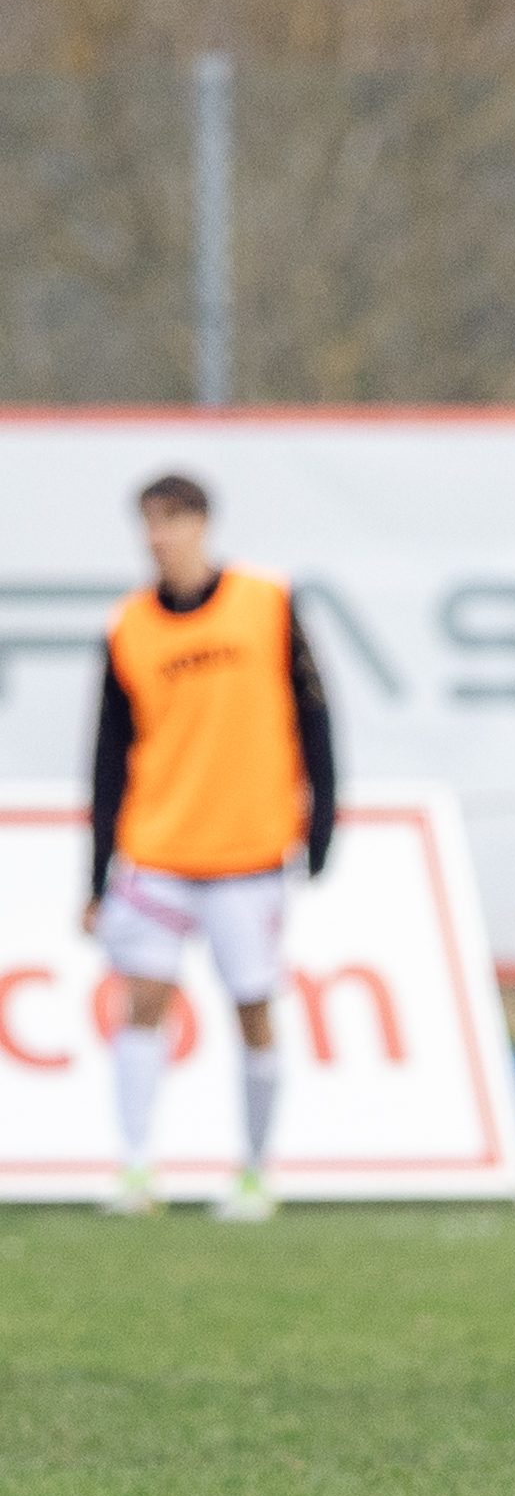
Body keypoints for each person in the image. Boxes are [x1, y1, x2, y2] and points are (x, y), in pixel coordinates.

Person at [83, 473, 336, 1222]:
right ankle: (136, 1168)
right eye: (149, 523)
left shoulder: (267, 603)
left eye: (170, 521)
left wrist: (322, 821)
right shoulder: (129, 626)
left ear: (202, 524)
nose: (158, 537)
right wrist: (94, 872)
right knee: (142, 1000)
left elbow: (315, 718)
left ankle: (255, 1171)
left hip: (247, 849)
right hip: (157, 848)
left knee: (252, 1006)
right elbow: (107, 755)